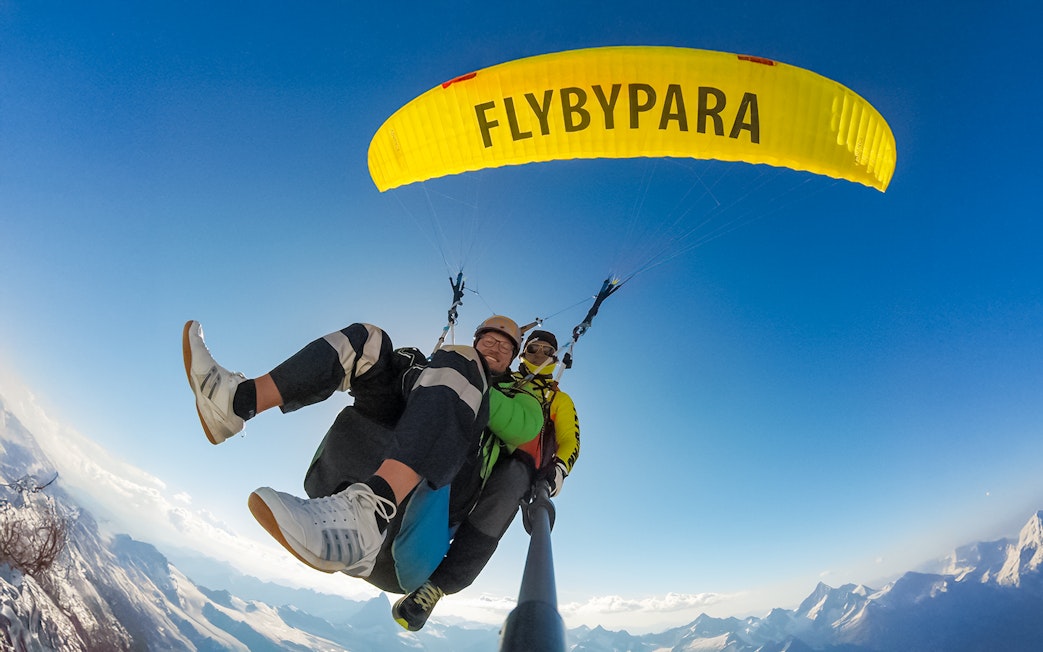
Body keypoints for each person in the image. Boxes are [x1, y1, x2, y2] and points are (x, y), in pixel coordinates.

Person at [182, 316, 542, 582]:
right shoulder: (448, 369)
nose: (495, 348)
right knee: (369, 341)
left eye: (505, 347)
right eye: (489, 341)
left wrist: (441, 371)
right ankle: (236, 402)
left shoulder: (521, 396)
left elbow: (523, 427)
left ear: (512, 359)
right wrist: (416, 371)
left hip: (441, 491)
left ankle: (368, 519)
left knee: (461, 366)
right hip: (398, 437)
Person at [392, 329, 580, 630]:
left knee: (509, 487)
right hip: (478, 444)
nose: (540, 356)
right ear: (523, 353)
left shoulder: (557, 398)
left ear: (555, 357)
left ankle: (437, 587)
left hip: (518, 460)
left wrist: (558, 469)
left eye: (547, 351)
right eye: (534, 349)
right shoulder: (502, 378)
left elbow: (570, 438)